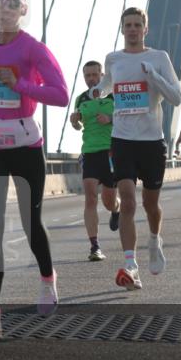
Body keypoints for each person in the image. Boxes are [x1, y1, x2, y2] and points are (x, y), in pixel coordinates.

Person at [0, 0, 68, 338]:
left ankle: (47, 278)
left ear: (23, 11)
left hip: (25, 143)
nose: (6, 9)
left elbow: (61, 95)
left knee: (29, 222)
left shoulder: (34, 50)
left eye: (14, 4)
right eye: (0, 3)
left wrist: (21, 84)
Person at [94, 7, 181, 291]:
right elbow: (108, 84)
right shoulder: (114, 59)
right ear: (122, 29)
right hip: (122, 140)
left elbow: (176, 97)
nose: (132, 29)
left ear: (146, 29)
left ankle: (155, 240)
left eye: (137, 25)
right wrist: (99, 90)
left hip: (151, 142)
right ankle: (131, 265)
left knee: (151, 206)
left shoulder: (158, 58)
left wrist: (153, 76)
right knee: (129, 202)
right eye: (127, 25)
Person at [70, 61, 120, 261]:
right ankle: (94, 246)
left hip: (111, 153)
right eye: (87, 75)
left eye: (94, 74)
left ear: (102, 75)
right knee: (90, 197)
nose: (91, 79)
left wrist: (110, 118)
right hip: (89, 152)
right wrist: (74, 121)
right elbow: (77, 125)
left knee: (108, 201)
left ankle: (116, 209)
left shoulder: (114, 95)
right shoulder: (81, 98)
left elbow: (127, 118)